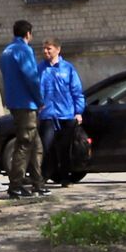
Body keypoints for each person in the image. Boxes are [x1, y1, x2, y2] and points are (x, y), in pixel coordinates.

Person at [0, 18, 45, 198]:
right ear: (28, 34)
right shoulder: (24, 50)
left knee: (35, 144)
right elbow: (31, 77)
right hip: (26, 104)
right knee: (25, 144)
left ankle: (37, 183)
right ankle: (16, 185)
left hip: (14, 102)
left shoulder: (6, 52)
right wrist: (39, 99)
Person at [38, 39, 86, 185]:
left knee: (64, 148)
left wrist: (78, 112)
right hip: (47, 115)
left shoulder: (68, 68)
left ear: (58, 50)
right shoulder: (40, 68)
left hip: (66, 114)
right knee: (46, 147)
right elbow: (35, 89)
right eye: (44, 49)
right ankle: (45, 176)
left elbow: (76, 91)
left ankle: (65, 177)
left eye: (49, 49)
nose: (46, 51)